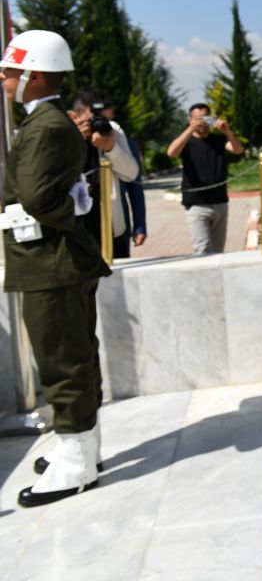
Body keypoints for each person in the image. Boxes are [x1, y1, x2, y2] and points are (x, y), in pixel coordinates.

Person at [0, 30, 111, 507]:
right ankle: (82, 444)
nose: (4, 80)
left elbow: (38, 197)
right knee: (75, 354)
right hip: (51, 260)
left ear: (34, 76)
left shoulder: (45, 126)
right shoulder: (44, 122)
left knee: (62, 360)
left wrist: (70, 216)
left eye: (10, 72)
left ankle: (76, 461)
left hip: (50, 260)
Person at [69, 90, 139, 258]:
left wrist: (111, 148)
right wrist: (75, 139)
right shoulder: (65, 132)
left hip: (111, 225)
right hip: (76, 227)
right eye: (90, 119)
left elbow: (131, 175)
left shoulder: (112, 130)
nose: (96, 123)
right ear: (74, 116)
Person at [166, 103, 244, 253]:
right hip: (196, 204)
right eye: (198, 118)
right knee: (202, 249)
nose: (202, 122)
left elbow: (238, 150)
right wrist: (190, 129)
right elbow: (171, 152)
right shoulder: (186, 141)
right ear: (190, 120)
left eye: (205, 118)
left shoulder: (219, 140)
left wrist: (227, 131)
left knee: (218, 251)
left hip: (220, 202)